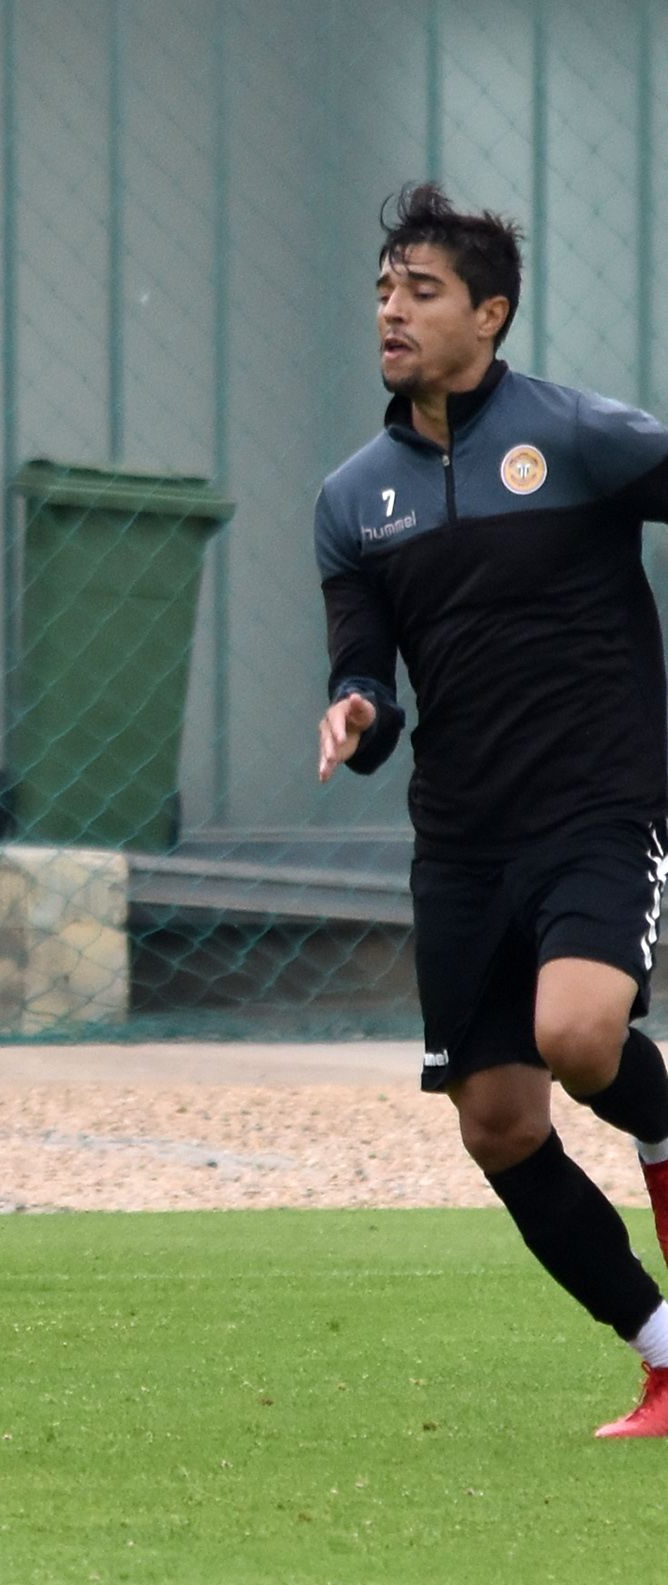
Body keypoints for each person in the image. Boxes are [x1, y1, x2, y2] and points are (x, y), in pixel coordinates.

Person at [317, 183, 668, 1437]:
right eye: (382, 290)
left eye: (421, 291)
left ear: (490, 314)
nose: (391, 311)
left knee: (578, 1034)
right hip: (461, 842)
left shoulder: (580, 437)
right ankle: (663, 1354)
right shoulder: (353, 498)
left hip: (599, 806)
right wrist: (355, 711)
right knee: (500, 1127)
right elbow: (364, 674)